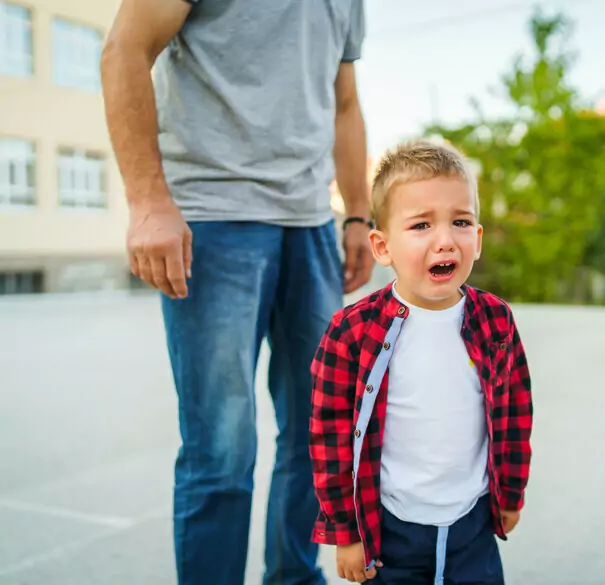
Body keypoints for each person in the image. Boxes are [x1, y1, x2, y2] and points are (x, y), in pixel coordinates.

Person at [100, 1, 373, 584]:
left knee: (319, 431)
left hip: (310, 224)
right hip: (214, 218)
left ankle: (295, 578)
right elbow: (125, 48)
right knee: (221, 448)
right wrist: (149, 201)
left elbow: (343, 102)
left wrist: (357, 214)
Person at [309, 140, 534, 584]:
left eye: (461, 222)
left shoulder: (495, 322)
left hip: (472, 523)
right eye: (421, 226)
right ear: (382, 246)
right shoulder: (351, 333)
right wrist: (346, 533)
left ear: (478, 237)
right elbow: (328, 437)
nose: (445, 240)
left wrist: (511, 493)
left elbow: (514, 415)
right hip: (390, 529)